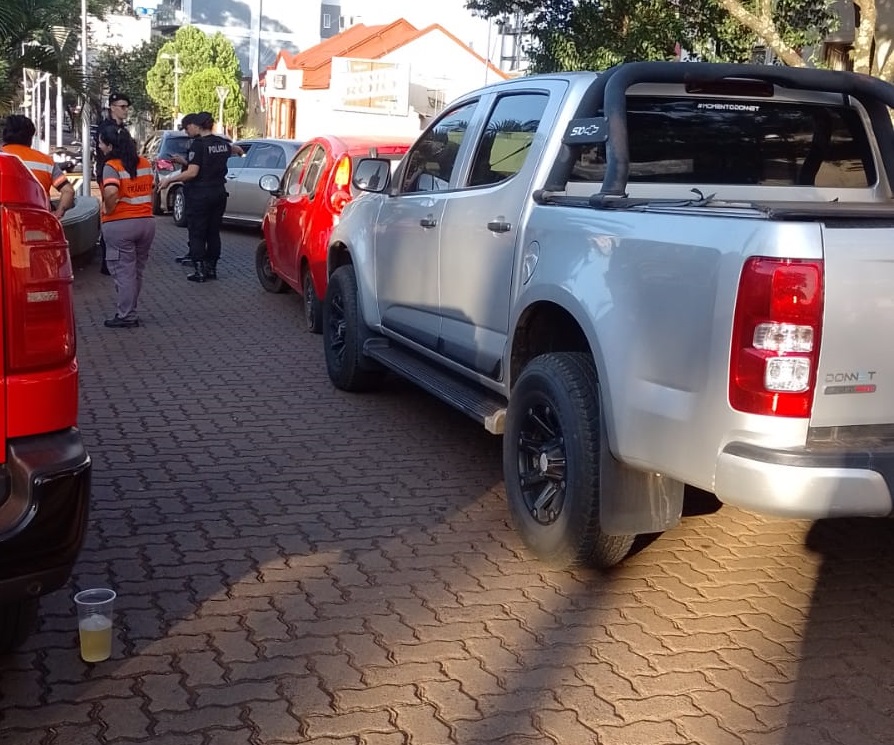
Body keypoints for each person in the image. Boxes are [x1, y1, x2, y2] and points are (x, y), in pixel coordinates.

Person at [157, 111, 230, 282]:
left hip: (200, 194)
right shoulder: (222, 143)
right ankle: (212, 268)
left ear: (197, 125)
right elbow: (237, 150)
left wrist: (169, 179)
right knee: (213, 233)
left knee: (197, 232)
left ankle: (199, 270)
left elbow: (192, 173)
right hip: (219, 192)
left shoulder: (198, 145)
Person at [97, 122, 155, 328]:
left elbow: (111, 192)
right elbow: (152, 190)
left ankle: (126, 315)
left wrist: (109, 209)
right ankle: (130, 309)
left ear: (111, 146)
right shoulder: (145, 163)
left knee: (123, 271)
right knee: (136, 270)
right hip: (146, 223)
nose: (100, 147)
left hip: (120, 224)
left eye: (101, 143)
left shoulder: (111, 166)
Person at [1, 114, 75, 219]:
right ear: (31, 137)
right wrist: (58, 213)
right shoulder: (46, 161)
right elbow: (69, 191)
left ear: (4, 135)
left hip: (6, 221)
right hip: (38, 222)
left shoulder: (2, 156)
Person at [95, 91, 131, 275]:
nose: (125, 111)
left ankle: (119, 256)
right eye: (122, 107)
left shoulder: (124, 130)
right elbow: (102, 153)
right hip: (108, 174)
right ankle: (106, 262)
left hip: (123, 175)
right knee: (109, 216)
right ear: (112, 107)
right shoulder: (105, 129)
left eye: (127, 107)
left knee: (121, 215)